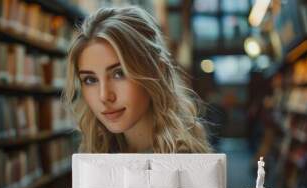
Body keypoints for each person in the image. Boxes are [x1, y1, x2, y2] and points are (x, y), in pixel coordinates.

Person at [61, 6, 212, 153]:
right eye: (90, 80)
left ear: (157, 71)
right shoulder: (96, 151)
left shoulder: (183, 160)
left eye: (119, 73)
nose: (104, 96)